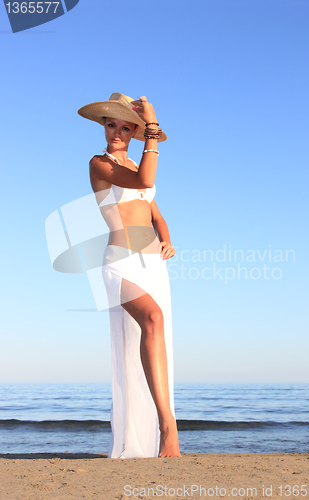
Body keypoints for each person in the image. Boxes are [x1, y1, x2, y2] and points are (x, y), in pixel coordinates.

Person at [78, 93, 181, 459]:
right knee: (153, 317)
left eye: (126, 126)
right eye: (111, 124)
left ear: (132, 131)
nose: (117, 132)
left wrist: (166, 241)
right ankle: (168, 428)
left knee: (156, 334)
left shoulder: (136, 162)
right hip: (118, 263)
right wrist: (152, 124)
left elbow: (156, 214)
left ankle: (157, 431)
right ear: (103, 126)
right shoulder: (99, 164)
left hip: (153, 265)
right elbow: (144, 178)